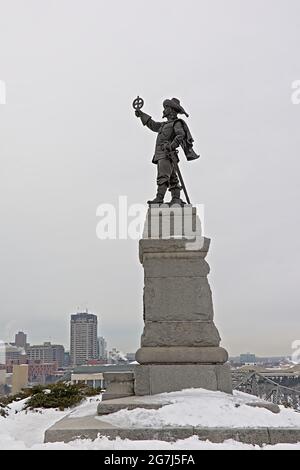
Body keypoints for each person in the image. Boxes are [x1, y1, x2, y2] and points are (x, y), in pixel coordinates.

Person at [135, 97, 198, 205]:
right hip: (162, 153)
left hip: (167, 153)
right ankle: (176, 198)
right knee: (173, 178)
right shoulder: (163, 125)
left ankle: (159, 198)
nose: (164, 110)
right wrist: (141, 114)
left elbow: (181, 135)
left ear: (172, 110)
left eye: (166, 107)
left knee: (163, 176)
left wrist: (172, 145)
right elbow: (153, 125)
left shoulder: (176, 123)